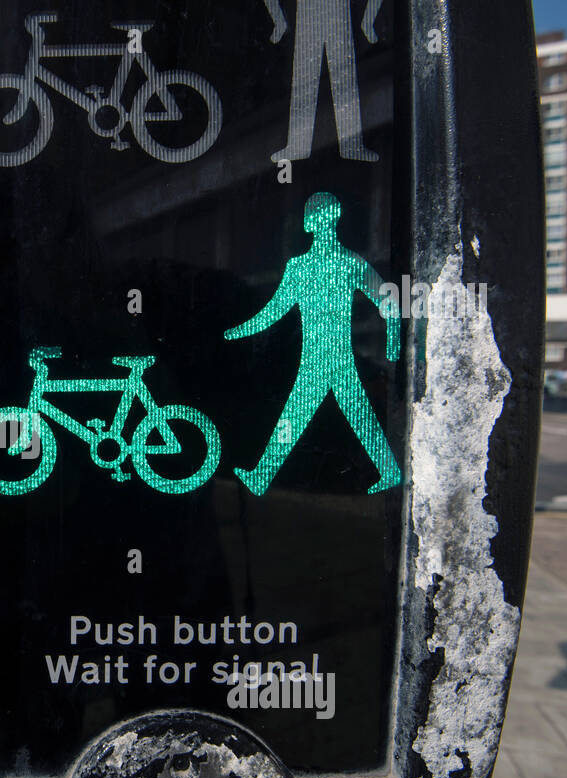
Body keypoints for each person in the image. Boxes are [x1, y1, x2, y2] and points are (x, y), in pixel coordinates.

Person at [224, 192, 401, 495]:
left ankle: (263, 476)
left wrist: (394, 342)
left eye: (326, 216)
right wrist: (240, 331)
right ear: (311, 223)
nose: (323, 222)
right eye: (318, 216)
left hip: (334, 360)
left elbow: (388, 300)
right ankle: (262, 476)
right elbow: (275, 310)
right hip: (317, 361)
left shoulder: (347, 263)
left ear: (331, 219)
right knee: (307, 418)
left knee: (333, 417)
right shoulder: (303, 267)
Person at [263, 0, 384, 163]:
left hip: (337, 13)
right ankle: (299, 146)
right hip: (310, 14)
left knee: (343, 81)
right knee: (306, 79)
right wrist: (278, 21)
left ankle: (352, 145)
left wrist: (368, 21)